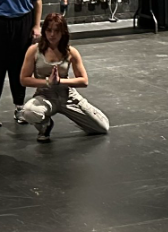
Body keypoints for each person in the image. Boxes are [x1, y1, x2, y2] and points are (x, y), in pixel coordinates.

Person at [20, 13, 109, 141]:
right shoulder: (34, 50)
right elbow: (24, 79)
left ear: (63, 32)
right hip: (45, 96)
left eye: (56, 31)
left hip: (68, 96)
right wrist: (47, 82)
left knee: (102, 127)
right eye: (49, 30)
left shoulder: (71, 52)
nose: (52, 34)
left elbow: (84, 81)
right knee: (29, 111)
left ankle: (85, 113)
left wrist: (59, 81)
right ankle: (45, 126)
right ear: (44, 31)